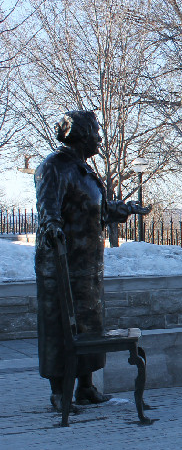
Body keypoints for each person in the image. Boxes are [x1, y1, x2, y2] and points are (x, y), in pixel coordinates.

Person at [34, 110, 151, 411]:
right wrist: (53, 230)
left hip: (87, 267)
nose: (100, 138)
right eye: (96, 132)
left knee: (89, 325)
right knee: (61, 327)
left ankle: (85, 388)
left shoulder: (83, 171)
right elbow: (48, 209)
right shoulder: (54, 167)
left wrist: (126, 210)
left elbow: (96, 213)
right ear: (82, 135)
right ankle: (60, 393)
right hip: (62, 267)